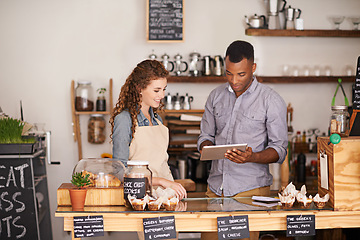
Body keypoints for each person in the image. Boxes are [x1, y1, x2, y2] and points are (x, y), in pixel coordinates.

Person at [198, 40, 288, 240]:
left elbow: (280, 149)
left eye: (241, 74)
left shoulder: (271, 100)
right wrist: (208, 148)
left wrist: (252, 156)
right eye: (228, 73)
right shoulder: (215, 96)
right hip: (215, 191)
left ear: (253, 68)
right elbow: (205, 137)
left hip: (250, 193)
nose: (234, 80)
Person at [110, 59, 187, 200]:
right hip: (138, 198)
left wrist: (171, 186)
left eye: (164, 89)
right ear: (140, 88)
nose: (162, 95)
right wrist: (161, 181)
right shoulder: (125, 119)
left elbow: (162, 163)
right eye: (156, 90)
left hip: (165, 196)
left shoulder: (158, 121)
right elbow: (119, 172)